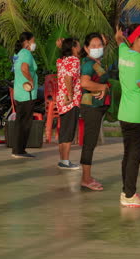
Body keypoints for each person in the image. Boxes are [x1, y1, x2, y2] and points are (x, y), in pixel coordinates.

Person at [114, 24, 140, 207]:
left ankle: (127, 192)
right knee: (135, 155)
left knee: (128, 153)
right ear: (136, 38)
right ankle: (129, 195)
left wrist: (119, 37)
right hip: (139, 114)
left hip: (125, 112)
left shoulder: (124, 53)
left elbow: (120, 42)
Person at [79, 32, 111, 191]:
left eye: (100, 45)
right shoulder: (88, 64)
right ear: (86, 48)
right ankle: (85, 179)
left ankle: (87, 176)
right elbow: (84, 83)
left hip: (96, 106)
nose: (97, 48)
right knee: (89, 142)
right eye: (93, 46)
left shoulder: (96, 62)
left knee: (91, 141)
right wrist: (102, 87)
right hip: (90, 106)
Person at [56, 38, 82, 169]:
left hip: (61, 100)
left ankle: (62, 160)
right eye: (78, 45)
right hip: (70, 101)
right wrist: (71, 95)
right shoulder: (74, 60)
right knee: (69, 132)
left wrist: (61, 47)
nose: (80, 48)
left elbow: (64, 72)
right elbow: (68, 77)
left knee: (64, 131)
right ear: (73, 47)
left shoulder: (61, 60)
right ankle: (65, 161)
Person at [11, 32, 38, 158]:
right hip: (27, 93)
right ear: (27, 42)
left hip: (19, 92)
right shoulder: (26, 53)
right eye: (33, 41)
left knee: (20, 121)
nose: (34, 44)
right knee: (25, 122)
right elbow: (24, 68)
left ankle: (17, 149)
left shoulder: (17, 54)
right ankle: (19, 150)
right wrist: (31, 80)